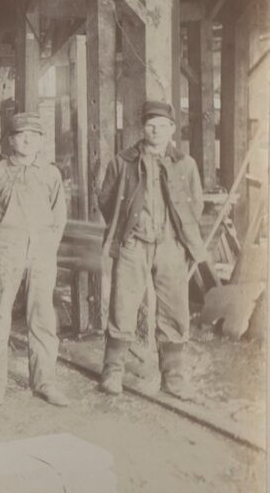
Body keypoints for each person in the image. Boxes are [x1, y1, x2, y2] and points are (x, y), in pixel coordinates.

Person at [97, 101, 205, 401]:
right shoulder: (124, 161)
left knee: (174, 309)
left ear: (172, 129)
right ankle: (113, 371)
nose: (155, 130)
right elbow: (106, 199)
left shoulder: (186, 163)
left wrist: (181, 234)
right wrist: (127, 228)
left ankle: (174, 378)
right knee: (123, 305)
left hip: (170, 244)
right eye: (149, 124)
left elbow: (195, 204)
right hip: (134, 243)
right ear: (141, 128)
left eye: (162, 125)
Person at [0, 112, 69, 408]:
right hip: (5, 253)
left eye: (34, 135)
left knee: (43, 319)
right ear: (10, 140)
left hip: (41, 255)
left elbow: (58, 217)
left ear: (40, 141)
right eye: (21, 134)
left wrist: (48, 247)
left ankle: (44, 381)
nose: (28, 140)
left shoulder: (50, 174)